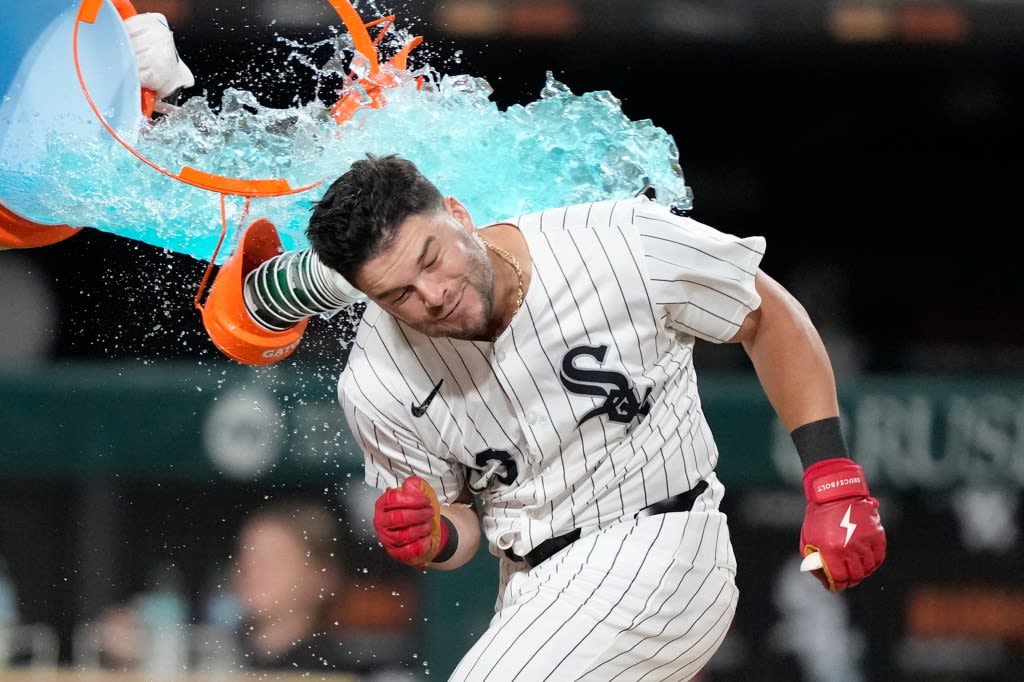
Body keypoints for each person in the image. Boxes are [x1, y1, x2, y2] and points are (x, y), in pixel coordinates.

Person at [303, 153, 887, 681]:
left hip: (664, 543)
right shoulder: (375, 380)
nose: (429, 295)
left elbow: (766, 314)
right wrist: (433, 535)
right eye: (397, 294)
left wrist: (832, 479)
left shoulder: (618, 242)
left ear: (458, 214)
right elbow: (460, 529)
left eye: (431, 259)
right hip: (531, 589)